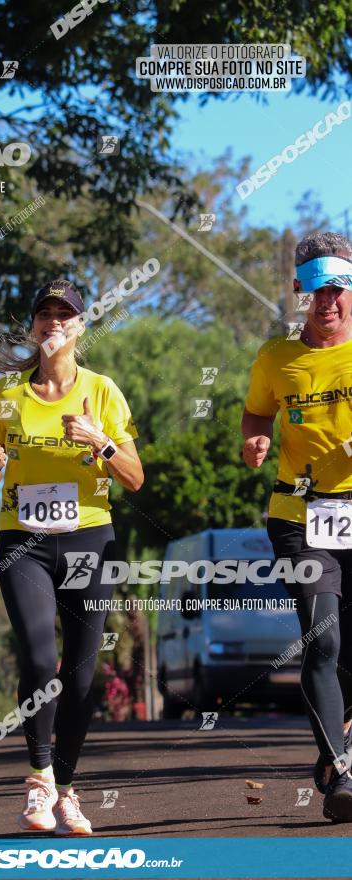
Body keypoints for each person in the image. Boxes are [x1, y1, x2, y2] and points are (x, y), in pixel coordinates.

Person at [0, 279, 143, 836]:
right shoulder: (6, 394)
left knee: (82, 672)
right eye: (44, 315)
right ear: (34, 327)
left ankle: (68, 791)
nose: (53, 324)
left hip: (89, 538)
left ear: (80, 327)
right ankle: (38, 780)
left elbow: (135, 479)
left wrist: (102, 442)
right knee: (40, 658)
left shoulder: (103, 391)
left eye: (64, 316)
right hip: (22, 538)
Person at [242, 232, 352, 824]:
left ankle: (339, 732)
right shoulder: (276, 356)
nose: (327, 301)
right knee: (324, 638)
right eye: (315, 289)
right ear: (298, 291)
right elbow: (258, 409)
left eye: (336, 287)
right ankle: (339, 769)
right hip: (300, 513)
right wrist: (254, 436)